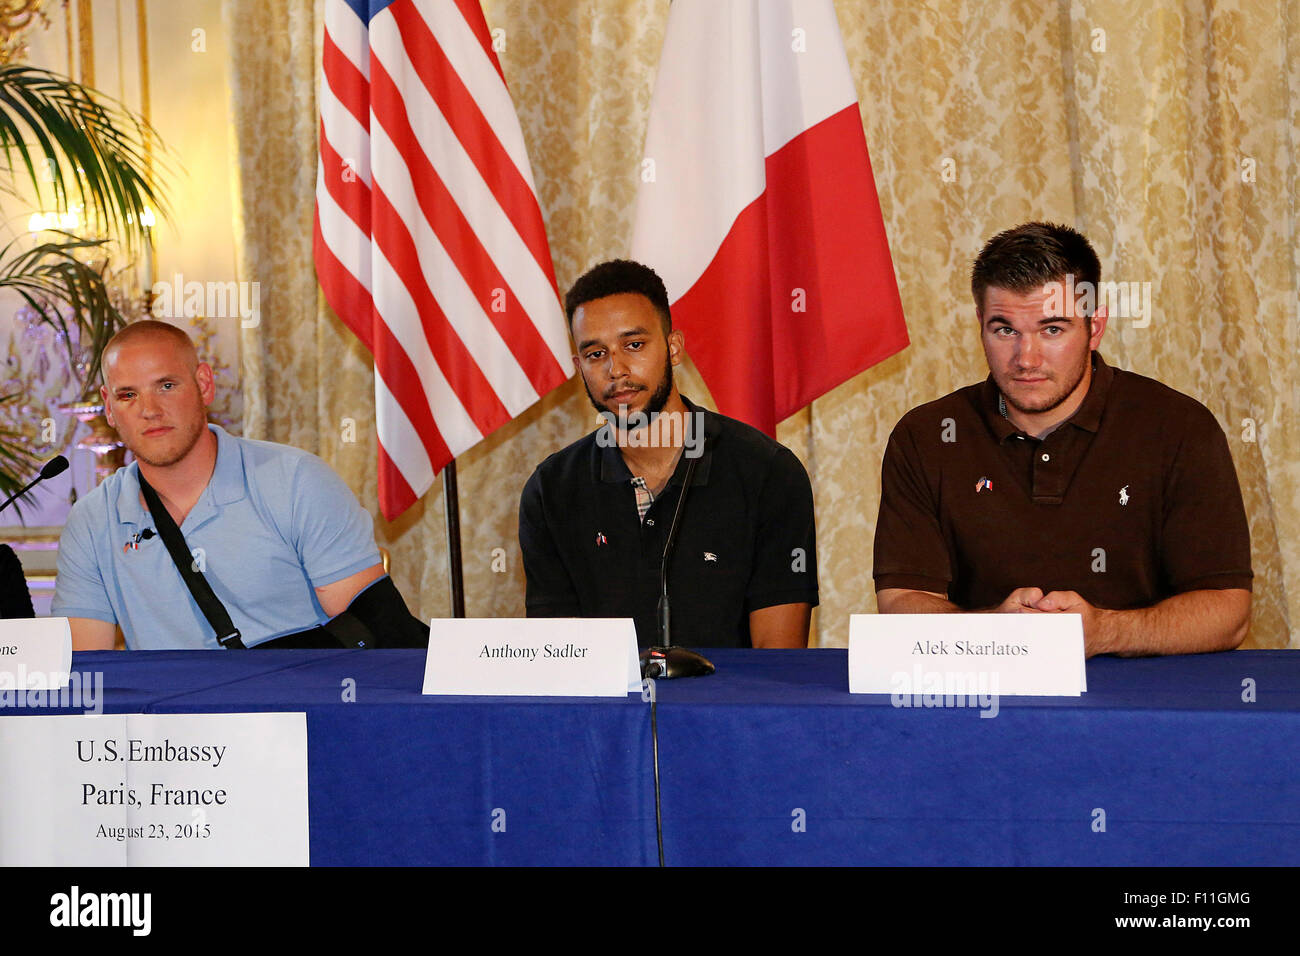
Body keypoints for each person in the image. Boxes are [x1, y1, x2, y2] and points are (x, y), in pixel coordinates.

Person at [873, 221, 1252, 656]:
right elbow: (901, 602)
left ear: (1096, 326)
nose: (1026, 358)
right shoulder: (926, 436)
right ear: (980, 324)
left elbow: (1229, 614)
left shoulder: (1179, 427)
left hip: (1148, 708)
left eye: (1052, 329)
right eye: (1005, 330)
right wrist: (994, 630)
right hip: (983, 701)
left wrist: (1104, 632)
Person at [52, 320, 422, 650]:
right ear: (109, 407)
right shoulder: (91, 520)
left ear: (204, 385)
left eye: (166, 385)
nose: (149, 410)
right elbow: (88, 670)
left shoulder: (295, 480)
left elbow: (379, 636)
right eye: (127, 395)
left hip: (299, 715)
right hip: (174, 724)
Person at [519, 259, 818, 648]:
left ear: (673, 347)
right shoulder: (551, 490)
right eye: (596, 354)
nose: (616, 369)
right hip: (607, 710)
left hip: (730, 707)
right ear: (579, 367)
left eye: (634, 345)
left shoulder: (768, 474)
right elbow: (559, 661)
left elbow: (778, 666)